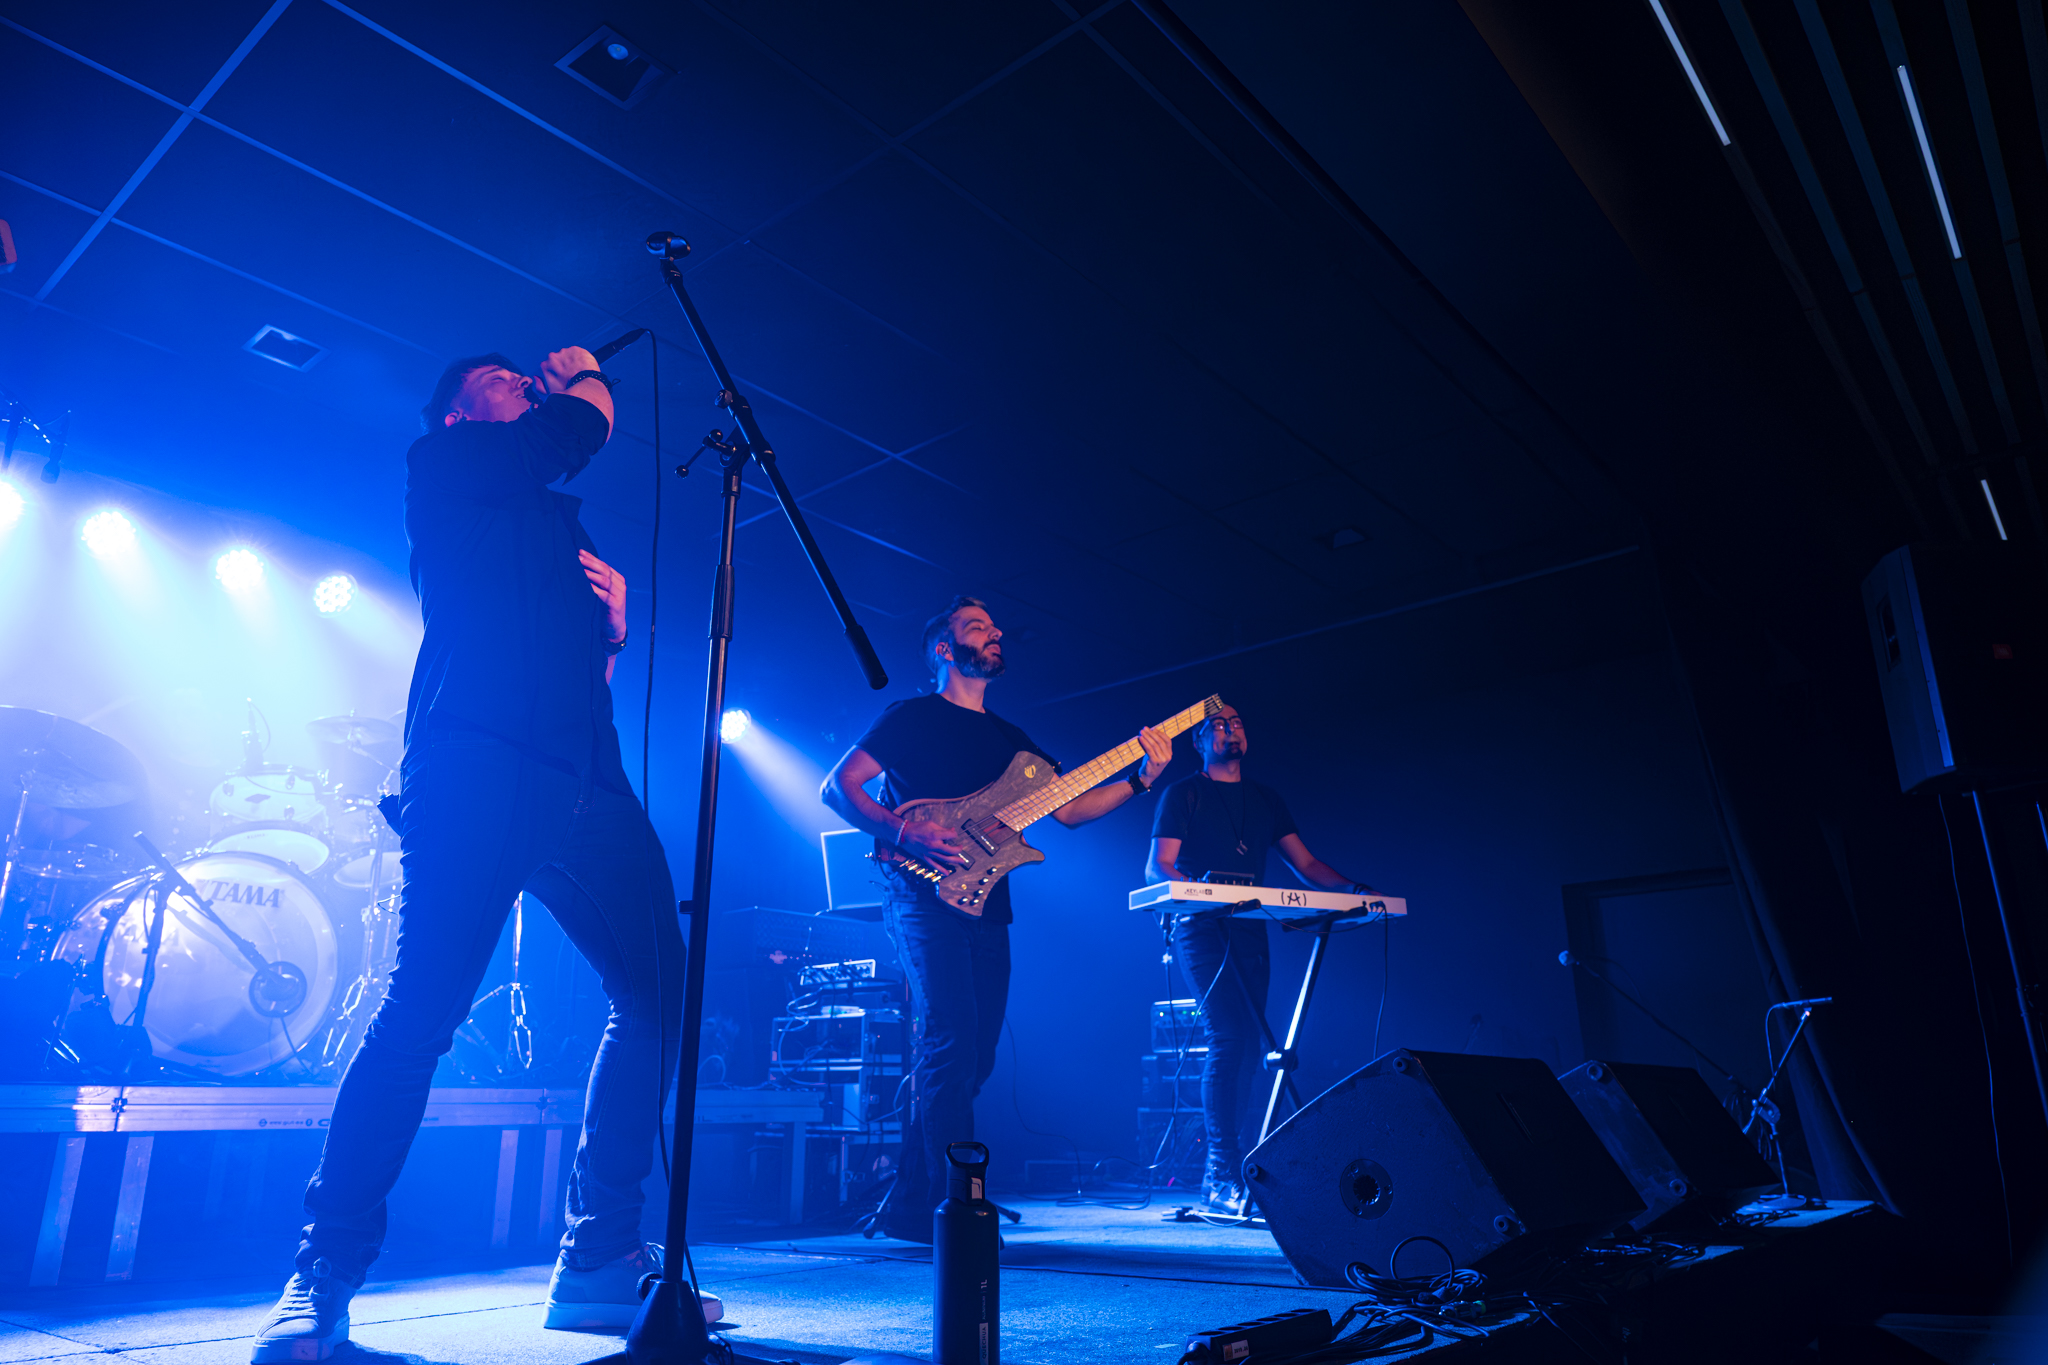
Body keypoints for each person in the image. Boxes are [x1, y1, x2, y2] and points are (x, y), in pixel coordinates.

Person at [252, 347, 688, 1361]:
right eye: (503, 378)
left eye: (531, 378)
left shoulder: (560, 526)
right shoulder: (444, 466)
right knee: (422, 1012)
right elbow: (572, 429)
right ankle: (321, 1273)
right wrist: (586, 379)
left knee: (660, 993)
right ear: (456, 414)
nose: (527, 383)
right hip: (476, 764)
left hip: (587, 778)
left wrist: (612, 634)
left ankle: (599, 1257)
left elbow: (576, 670)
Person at [822, 596, 1172, 1240]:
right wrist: (902, 830)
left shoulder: (1013, 742)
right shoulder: (911, 717)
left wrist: (1143, 779)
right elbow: (837, 786)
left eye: (994, 626)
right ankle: (953, 1211)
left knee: (974, 1057)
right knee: (951, 1041)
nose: (996, 632)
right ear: (944, 649)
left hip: (988, 902)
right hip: (921, 894)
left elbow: (1070, 810)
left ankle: (910, 1206)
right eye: (977, 626)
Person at [1142, 703, 1370, 1216]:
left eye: (1238, 723)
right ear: (1199, 741)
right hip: (1200, 927)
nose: (1231, 730)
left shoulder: (1265, 799)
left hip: (1249, 927)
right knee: (1228, 1037)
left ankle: (1242, 1169)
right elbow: (1159, 867)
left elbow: (1306, 863)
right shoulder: (1184, 793)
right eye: (1218, 725)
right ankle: (1218, 1175)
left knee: (1249, 1047)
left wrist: (1356, 891)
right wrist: (1198, 889)